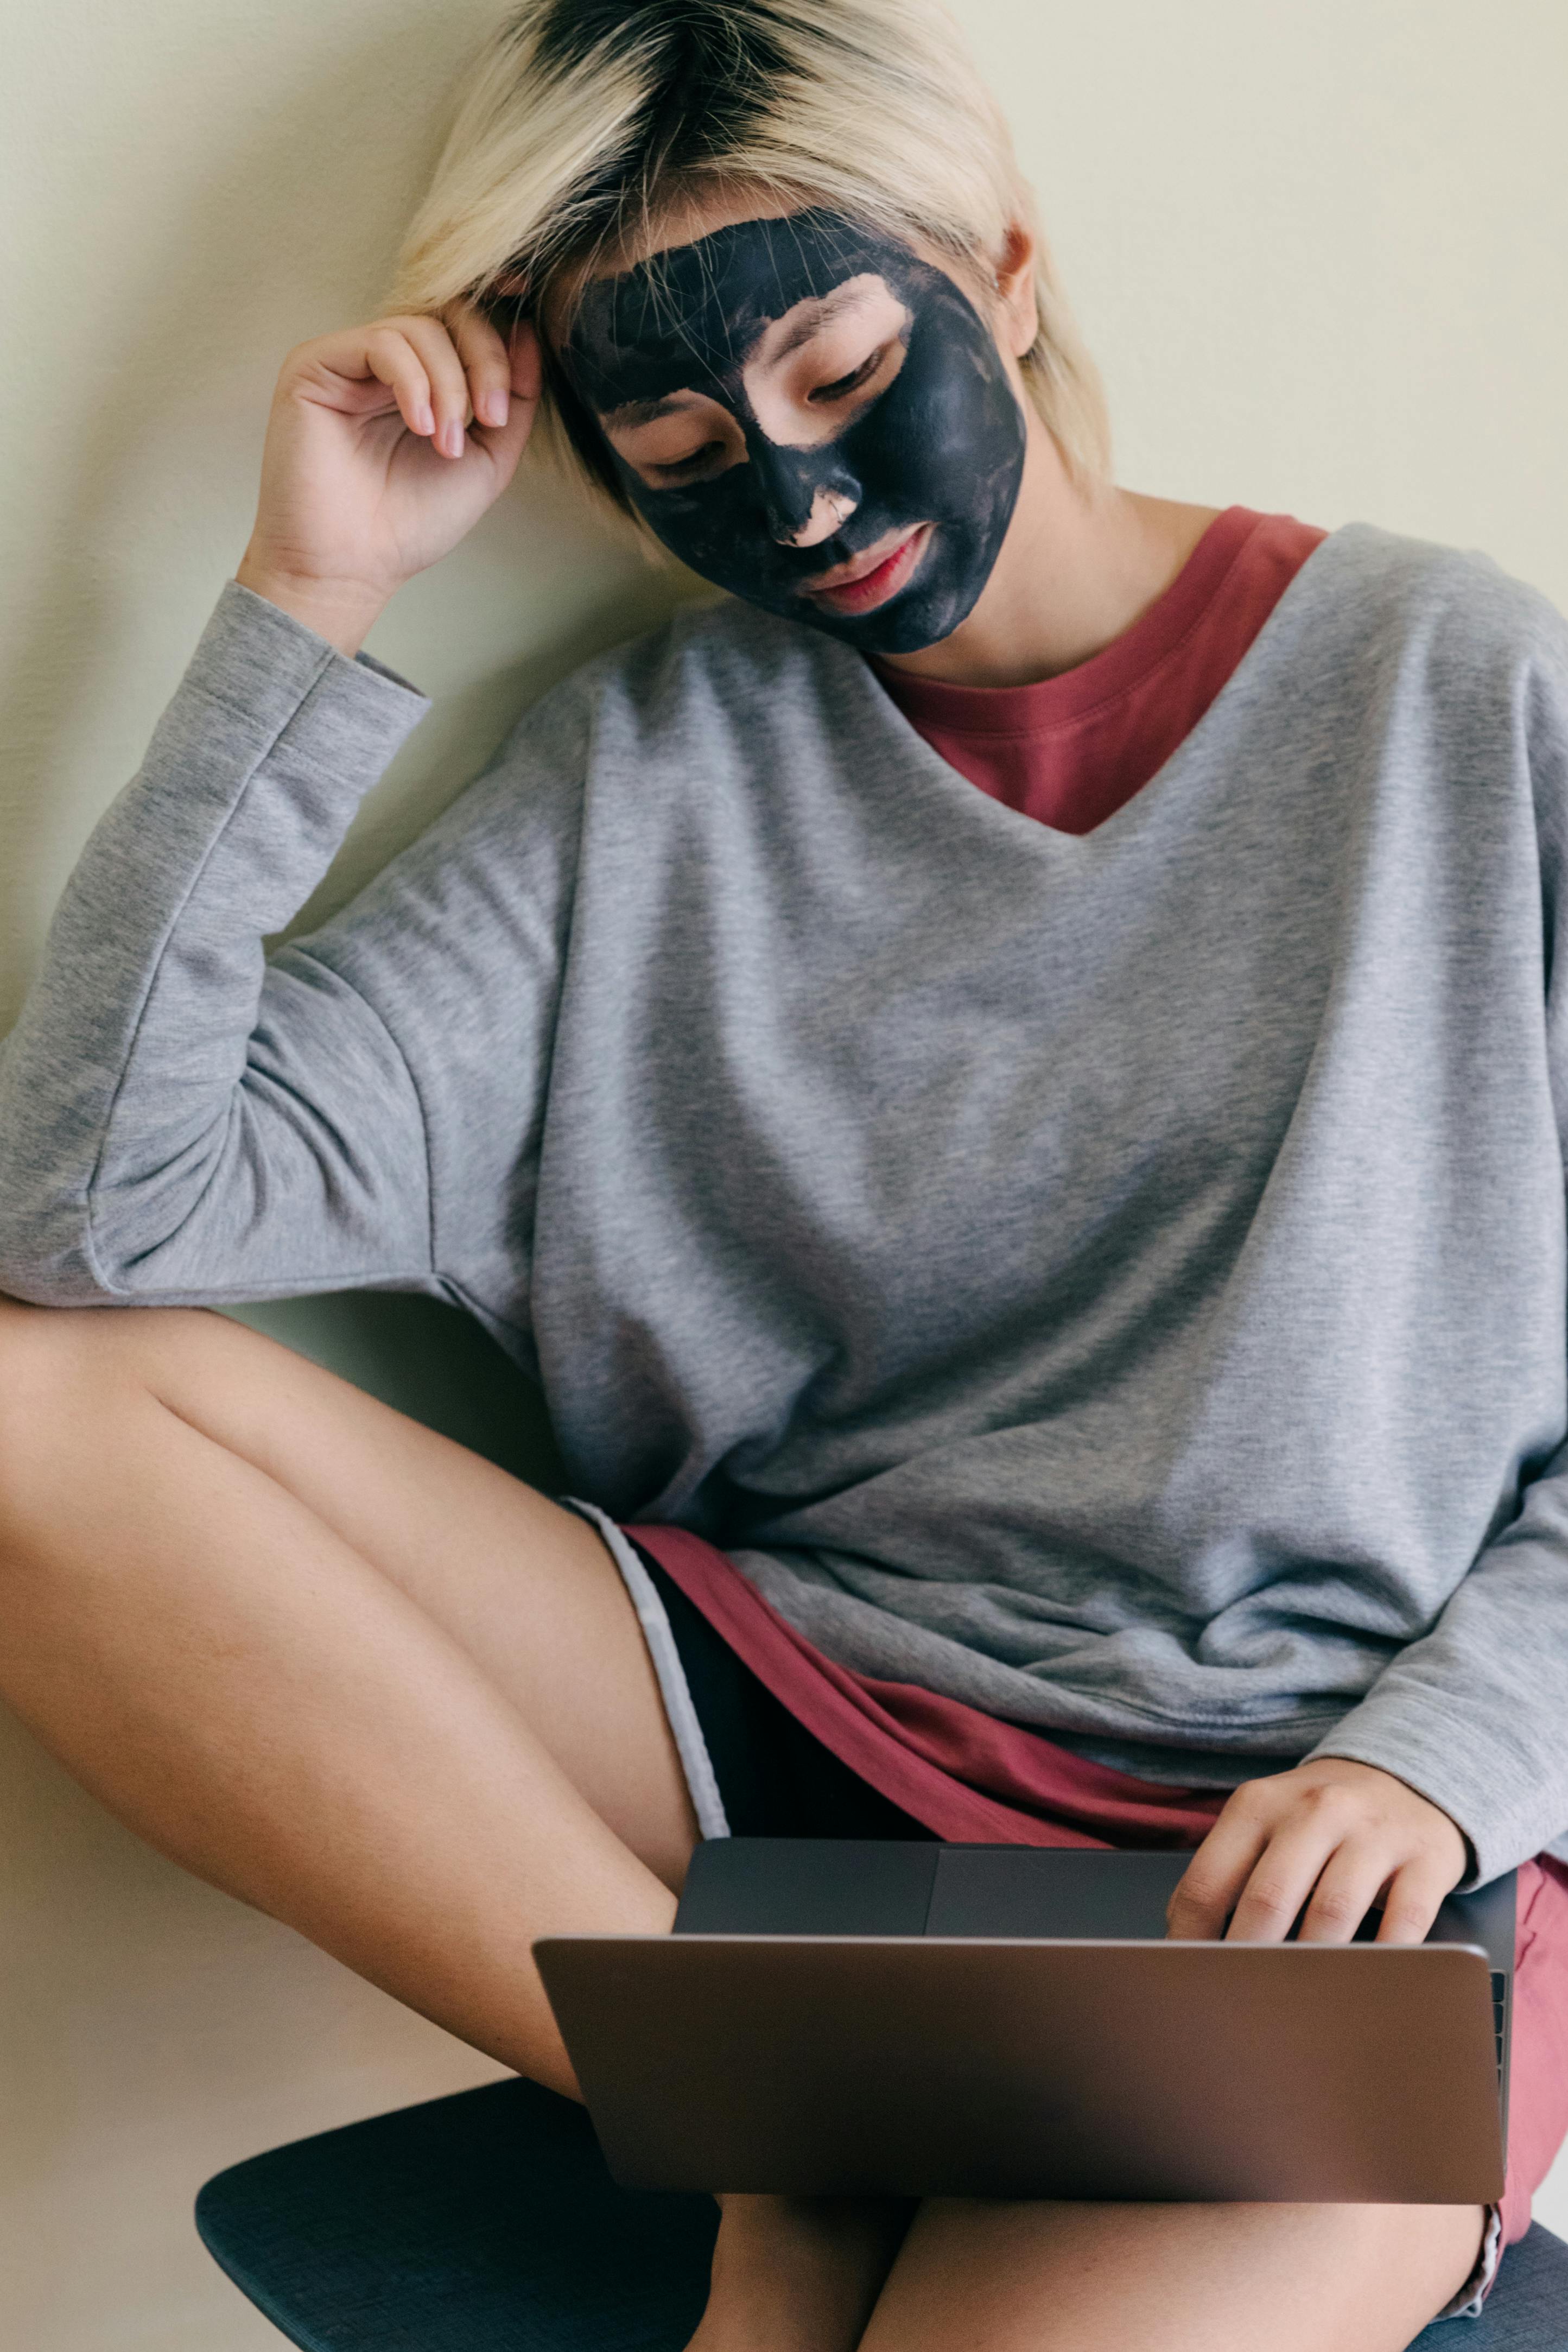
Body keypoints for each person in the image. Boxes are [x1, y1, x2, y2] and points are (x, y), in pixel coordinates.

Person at [0, 1, 1564, 2344]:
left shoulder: (1463, 691)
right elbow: (86, 1219)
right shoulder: (647, 770)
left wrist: (1454, 1760)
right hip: (787, 1749)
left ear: (1005, 269)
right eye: (685, 438)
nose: (804, 497)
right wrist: (307, 598)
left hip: (1293, 1838)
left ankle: (781, 2101)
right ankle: (760, 2108)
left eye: (841, 364)